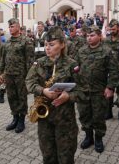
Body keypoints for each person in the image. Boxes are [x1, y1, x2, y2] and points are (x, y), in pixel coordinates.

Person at [26, 26, 84, 164]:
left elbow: (83, 90)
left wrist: (68, 96)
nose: (47, 48)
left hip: (65, 121)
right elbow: (29, 81)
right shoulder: (39, 63)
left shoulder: (72, 65)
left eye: (52, 45)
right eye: (46, 45)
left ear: (62, 44)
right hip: (44, 120)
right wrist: (43, 91)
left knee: (66, 157)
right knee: (48, 156)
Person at [75, 25, 119, 153]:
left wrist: (110, 87)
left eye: (92, 35)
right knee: (84, 115)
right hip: (83, 91)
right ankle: (89, 137)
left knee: (98, 117)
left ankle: (98, 138)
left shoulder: (107, 51)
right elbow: (76, 68)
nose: (89, 38)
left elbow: (114, 71)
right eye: (87, 35)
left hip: (99, 91)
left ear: (99, 36)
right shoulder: (81, 51)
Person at [0, 18, 34, 133]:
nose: (10, 28)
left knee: (21, 98)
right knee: (11, 97)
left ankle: (21, 120)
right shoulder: (7, 42)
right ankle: (15, 118)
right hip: (9, 75)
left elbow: (30, 61)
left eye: (12, 26)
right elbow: (2, 59)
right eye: (9, 26)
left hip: (21, 75)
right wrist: (0, 73)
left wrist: (29, 78)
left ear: (18, 27)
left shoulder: (26, 41)